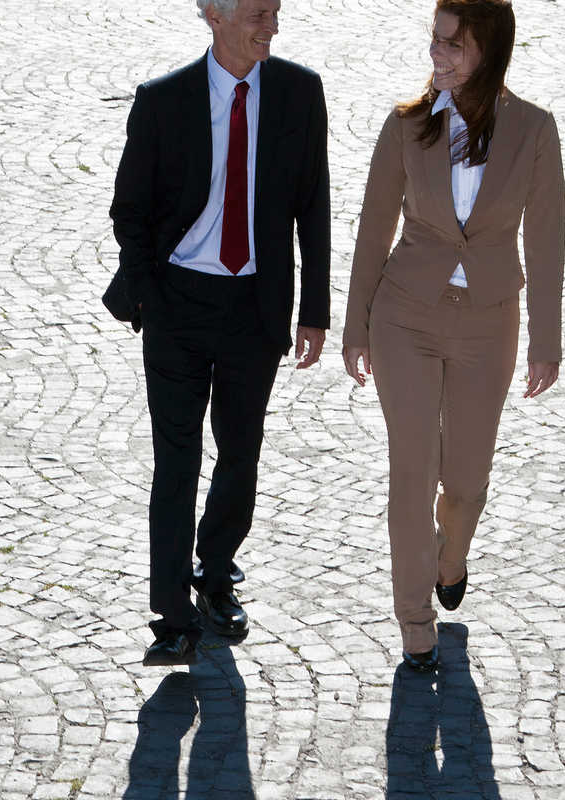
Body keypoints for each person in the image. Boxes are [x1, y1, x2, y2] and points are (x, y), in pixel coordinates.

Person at [103, 0, 332, 667]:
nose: (271, 26)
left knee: (240, 451)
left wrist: (311, 310)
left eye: (276, 11)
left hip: (253, 305)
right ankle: (171, 616)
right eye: (258, 12)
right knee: (175, 462)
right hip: (177, 303)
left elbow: (312, 202)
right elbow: (130, 209)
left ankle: (216, 568)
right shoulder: (162, 101)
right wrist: (149, 292)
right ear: (214, 14)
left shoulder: (298, 91)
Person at [341, 0, 564, 673]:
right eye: (434, 42)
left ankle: (451, 554)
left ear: (488, 52)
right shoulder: (406, 126)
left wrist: (545, 338)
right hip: (404, 314)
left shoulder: (533, 130)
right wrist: (355, 324)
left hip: (488, 319)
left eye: (452, 47)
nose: (436, 57)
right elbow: (373, 227)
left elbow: (546, 237)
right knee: (412, 470)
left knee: (464, 478)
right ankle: (414, 618)